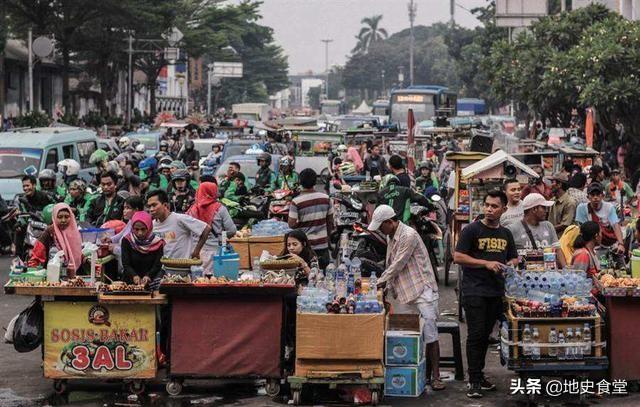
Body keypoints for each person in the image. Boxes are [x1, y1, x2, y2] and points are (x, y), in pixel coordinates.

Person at [368, 205, 444, 391]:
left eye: (381, 226)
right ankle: (417, 372)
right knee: (409, 333)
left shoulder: (408, 235)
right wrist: (386, 285)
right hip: (406, 290)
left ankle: (435, 376)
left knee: (430, 333)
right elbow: (390, 262)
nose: (380, 230)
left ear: (389, 222)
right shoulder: (390, 235)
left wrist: (380, 281)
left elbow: (398, 263)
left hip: (422, 288)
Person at [453, 190, 518, 398]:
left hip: (496, 292)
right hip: (474, 291)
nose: (489, 209)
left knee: (486, 337)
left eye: (494, 206)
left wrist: (510, 264)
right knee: (476, 335)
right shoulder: (471, 230)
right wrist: (486, 263)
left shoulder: (506, 234)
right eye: (487, 205)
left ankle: (479, 377)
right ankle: (473, 381)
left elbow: (514, 258)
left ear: (504, 209)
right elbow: (458, 257)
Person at [187, 182, 237, 273]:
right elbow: (232, 230)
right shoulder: (220, 208)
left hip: (195, 253)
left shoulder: (192, 209)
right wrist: (222, 239)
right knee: (213, 282)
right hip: (215, 252)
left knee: (197, 280)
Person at [288, 169, 333, 269]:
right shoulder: (326, 198)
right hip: (323, 245)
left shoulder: (296, 201)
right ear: (315, 181)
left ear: (300, 182)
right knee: (323, 276)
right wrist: (327, 237)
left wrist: (301, 223)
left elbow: (291, 224)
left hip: (306, 248)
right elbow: (330, 221)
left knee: (307, 276)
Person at [507, 193, 567, 268]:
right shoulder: (512, 229)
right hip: (524, 275)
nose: (546, 211)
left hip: (547, 275)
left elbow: (558, 250)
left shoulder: (548, 226)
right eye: (544, 208)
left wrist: (565, 269)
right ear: (534, 209)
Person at [147, 189, 211, 260]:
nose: (151, 209)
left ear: (165, 205)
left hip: (182, 268)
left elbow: (206, 228)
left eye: (154, 205)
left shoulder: (179, 219)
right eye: (149, 206)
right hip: (162, 268)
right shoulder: (152, 224)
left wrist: (196, 251)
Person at [575, 182, 625, 267]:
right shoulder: (582, 208)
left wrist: (621, 244)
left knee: (621, 266)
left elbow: (615, 225)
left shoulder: (609, 207)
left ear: (602, 196)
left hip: (610, 243)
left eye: (598, 194)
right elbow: (583, 230)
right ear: (588, 197)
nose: (595, 197)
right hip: (593, 245)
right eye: (593, 195)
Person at [28, 203, 83, 277]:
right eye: (60, 217)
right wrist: (33, 272)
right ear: (54, 217)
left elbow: (79, 252)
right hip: (52, 276)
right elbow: (37, 254)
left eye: (66, 217)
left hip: (74, 275)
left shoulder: (76, 232)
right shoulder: (49, 232)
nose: (63, 220)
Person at [121, 211, 164, 288]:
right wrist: (134, 276)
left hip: (151, 282)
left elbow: (157, 264)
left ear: (149, 227)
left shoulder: (158, 243)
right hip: (129, 284)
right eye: (136, 229)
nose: (140, 233)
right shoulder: (127, 240)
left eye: (143, 229)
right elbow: (126, 263)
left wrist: (148, 276)